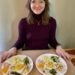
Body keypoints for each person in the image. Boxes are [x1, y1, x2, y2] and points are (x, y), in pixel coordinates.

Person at [0, 0, 70, 63]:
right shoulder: (23, 22)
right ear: (29, 4)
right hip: (28, 56)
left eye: (41, 1)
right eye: (33, 1)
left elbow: (52, 40)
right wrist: (13, 48)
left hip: (45, 56)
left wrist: (58, 47)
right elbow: (21, 41)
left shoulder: (52, 22)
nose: (37, 5)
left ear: (45, 3)